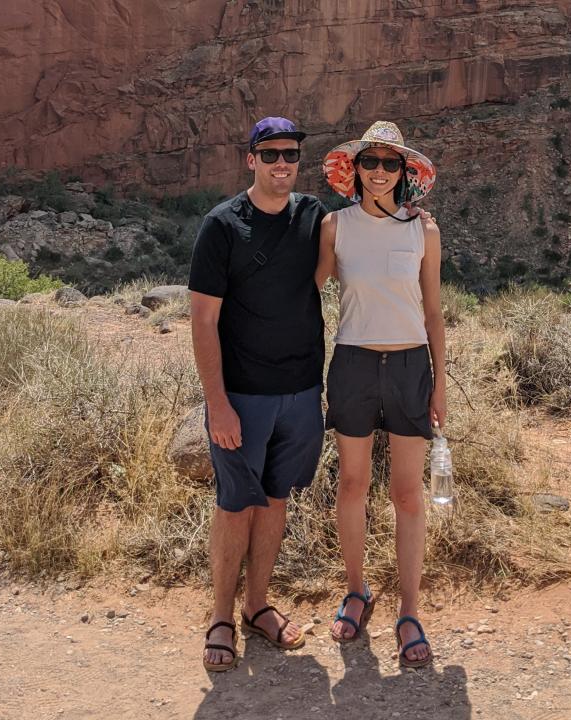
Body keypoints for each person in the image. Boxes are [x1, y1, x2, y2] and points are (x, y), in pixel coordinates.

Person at [188, 117, 326, 672]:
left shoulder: (312, 215)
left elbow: (361, 235)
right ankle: (221, 616)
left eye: (290, 154)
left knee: (275, 499)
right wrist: (217, 402)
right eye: (269, 154)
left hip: (299, 393)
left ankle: (257, 606)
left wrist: (412, 215)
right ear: (250, 159)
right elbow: (202, 319)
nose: (281, 163)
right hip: (243, 396)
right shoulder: (222, 226)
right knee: (234, 503)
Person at [316, 120, 446, 668]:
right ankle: (356, 590)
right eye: (370, 162)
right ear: (355, 168)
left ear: (405, 172)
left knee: (408, 492)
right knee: (352, 483)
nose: (378, 172)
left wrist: (441, 382)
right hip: (353, 362)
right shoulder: (334, 226)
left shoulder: (424, 231)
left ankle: (409, 611)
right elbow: (312, 288)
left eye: (390, 164)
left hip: (410, 364)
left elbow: (434, 312)